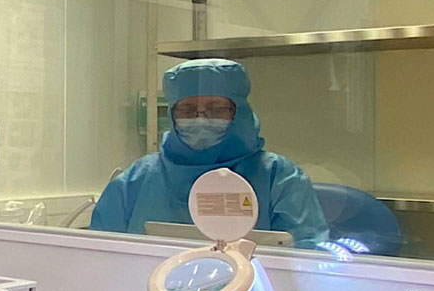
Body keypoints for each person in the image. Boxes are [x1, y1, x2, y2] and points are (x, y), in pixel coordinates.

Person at [90, 58, 328, 246]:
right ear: (172, 115)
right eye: (187, 110)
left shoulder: (278, 178)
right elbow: (101, 256)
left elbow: (308, 261)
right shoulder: (136, 181)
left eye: (216, 109)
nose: (200, 119)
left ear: (240, 112)